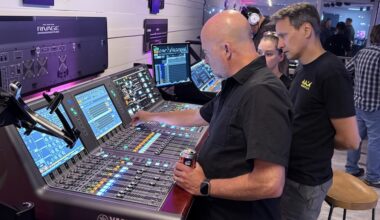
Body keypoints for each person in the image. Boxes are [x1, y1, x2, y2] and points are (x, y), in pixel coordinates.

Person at [133, 10, 293, 220]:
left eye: (207, 53)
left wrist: (204, 186)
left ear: (226, 49)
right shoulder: (238, 83)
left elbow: (270, 183)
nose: (206, 62)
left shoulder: (262, 93)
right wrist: (150, 117)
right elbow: (198, 115)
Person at [272, 3, 361, 220]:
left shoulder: (331, 72)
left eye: (284, 35)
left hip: (304, 182)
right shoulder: (305, 67)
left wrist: (317, 141)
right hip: (289, 173)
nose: (280, 44)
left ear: (306, 30)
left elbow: (350, 140)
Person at [345, 24, 380, 188]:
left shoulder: (361, 53)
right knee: (375, 142)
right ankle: (373, 177)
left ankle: (351, 168)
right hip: (376, 106)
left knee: (356, 138)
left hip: (358, 103)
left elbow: (345, 70)